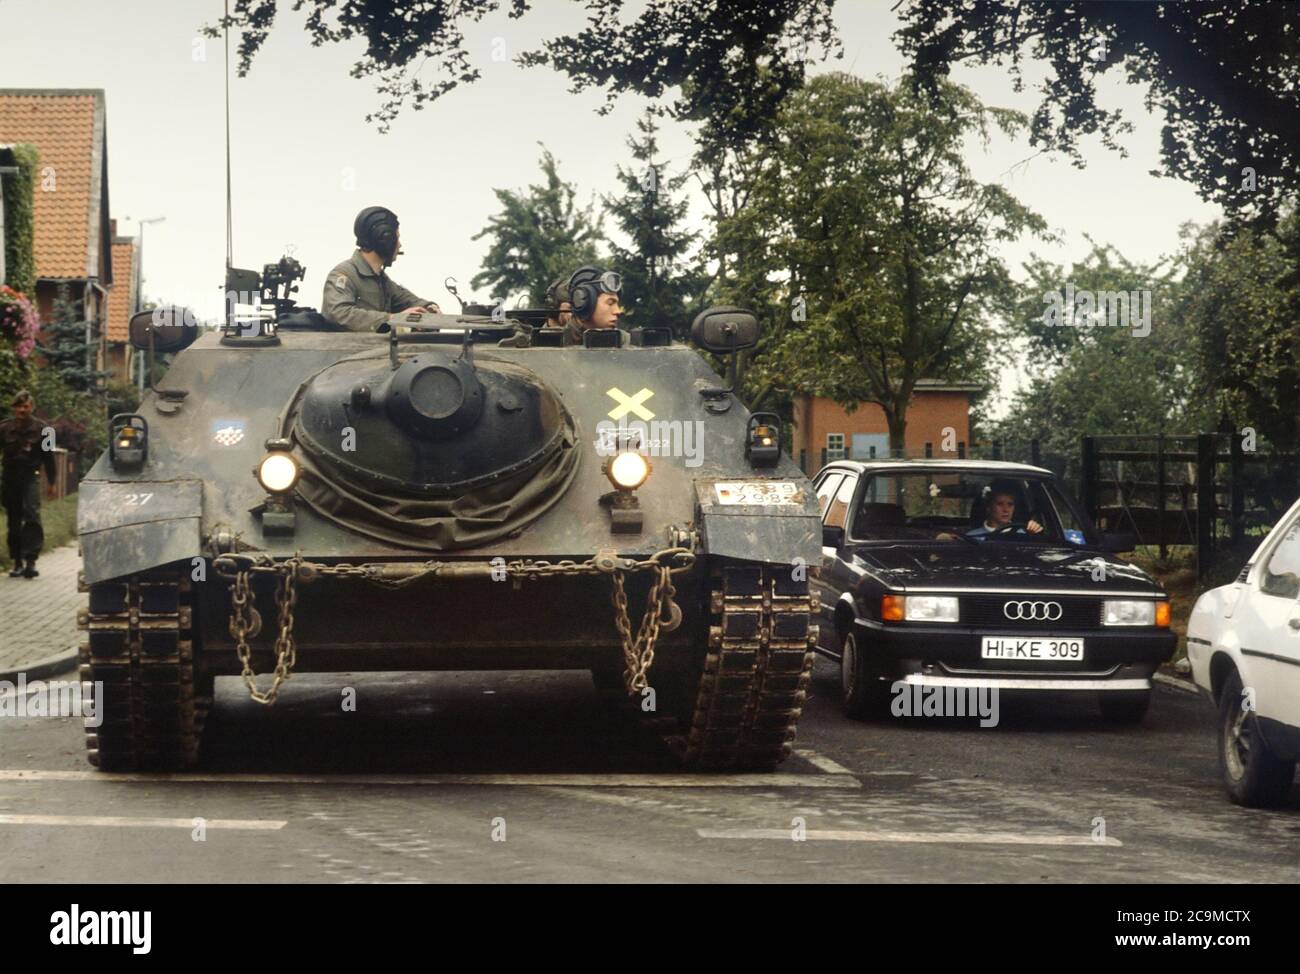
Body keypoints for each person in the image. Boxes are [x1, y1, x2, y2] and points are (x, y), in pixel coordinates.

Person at [321, 206, 440, 332]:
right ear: (385, 240)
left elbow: (407, 300)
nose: (399, 244)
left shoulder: (381, 280)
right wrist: (392, 318)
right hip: (348, 350)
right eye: (397, 238)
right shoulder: (344, 274)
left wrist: (430, 308)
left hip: (374, 350)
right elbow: (338, 314)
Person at [0, 390, 57, 578]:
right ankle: (16, 562)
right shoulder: (3, 428)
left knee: (32, 515)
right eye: (18, 406)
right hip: (10, 477)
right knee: (13, 520)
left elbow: (50, 458)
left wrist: (52, 482)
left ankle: (31, 561)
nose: (22, 410)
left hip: (31, 477)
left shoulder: (46, 430)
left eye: (25, 406)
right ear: (14, 408)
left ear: (31, 407)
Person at [564, 266, 622, 345]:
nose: (618, 311)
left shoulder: (624, 342)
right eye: (610, 303)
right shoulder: (552, 343)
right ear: (583, 303)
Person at [966, 482, 1044, 540]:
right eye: (1000, 504)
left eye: (1010, 504)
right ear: (989, 507)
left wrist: (1033, 535)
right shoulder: (971, 537)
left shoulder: (1023, 534)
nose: (1006, 509)